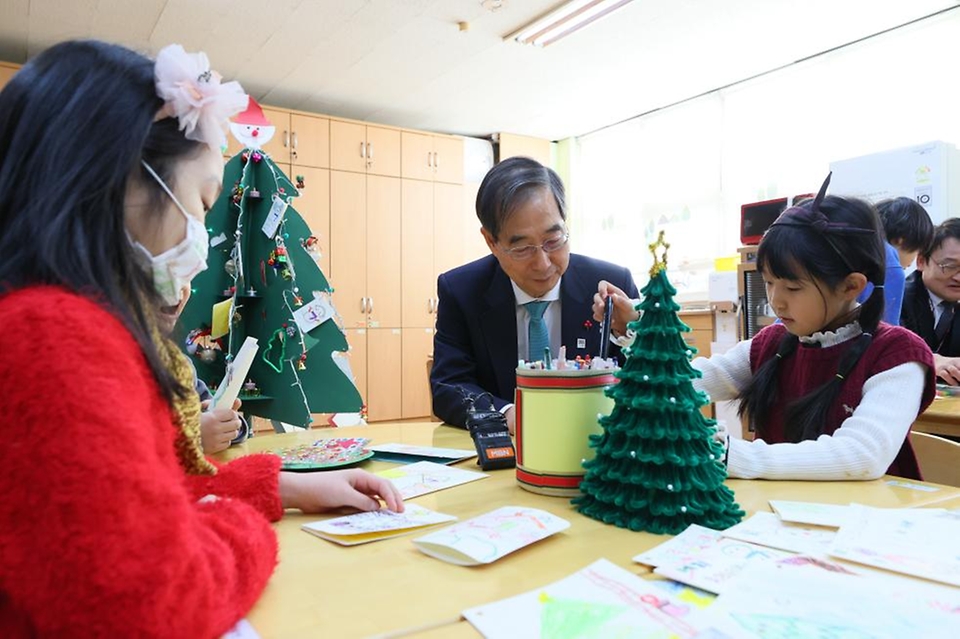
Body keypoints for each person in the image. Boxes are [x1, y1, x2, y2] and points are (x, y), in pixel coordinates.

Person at [0, 40, 402, 637]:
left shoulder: (60, 323)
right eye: (202, 203)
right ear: (117, 178)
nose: (201, 237)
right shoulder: (51, 336)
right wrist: (238, 527)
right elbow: (156, 602)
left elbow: (139, 496)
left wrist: (281, 486)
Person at [595, 176, 935, 481]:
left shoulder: (897, 356)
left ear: (850, 286)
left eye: (793, 287)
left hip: (863, 532)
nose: (776, 301)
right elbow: (690, 381)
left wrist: (728, 454)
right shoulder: (774, 343)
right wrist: (640, 330)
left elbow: (862, 455)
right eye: (769, 283)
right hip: (777, 525)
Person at [431, 157, 639, 432]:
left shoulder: (610, 284)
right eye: (522, 248)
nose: (543, 263)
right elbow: (449, 386)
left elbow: (646, 379)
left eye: (553, 241)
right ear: (491, 242)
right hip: (508, 448)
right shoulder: (461, 290)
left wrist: (630, 331)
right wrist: (509, 414)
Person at [160, 287, 248, 454]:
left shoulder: (179, 364)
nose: (180, 290)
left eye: (187, 275)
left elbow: (210, 412)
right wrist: (187, 437)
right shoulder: (107, 365)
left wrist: (229, 424)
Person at [856, 196, 933, 325]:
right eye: (917, 250)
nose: (913, 261)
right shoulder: (891, 267)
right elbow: (887, 329)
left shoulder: (857, 251)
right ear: (901, 239)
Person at [901, 218, 960, 384]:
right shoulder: (898, 299)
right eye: (949, 266)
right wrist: (931, 359)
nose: (958, 277)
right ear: (921, 261)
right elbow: (888, 349)